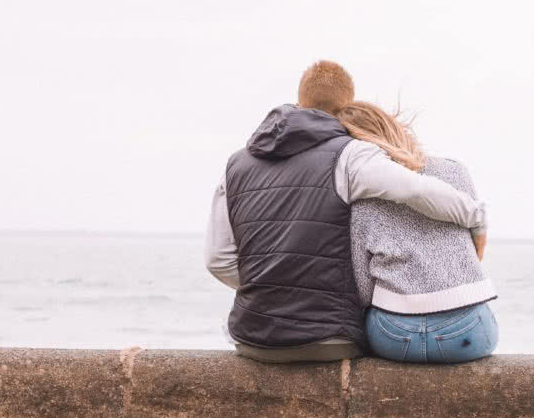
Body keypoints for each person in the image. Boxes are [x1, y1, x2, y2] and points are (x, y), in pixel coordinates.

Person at [205, 61, 487, 363]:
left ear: (299, 102)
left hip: (253, 338)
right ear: (346, 106)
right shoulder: (350, 155)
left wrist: (270, 286)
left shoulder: (235, 165)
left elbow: (217, 260)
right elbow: (416, 191)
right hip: (329, 339)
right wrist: (476, 217)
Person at [338, 101, 498, 363]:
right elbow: (472, 253)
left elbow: (363, 288)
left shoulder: (360, 193)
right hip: (466, 333)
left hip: (393, 335)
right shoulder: (454, 170)